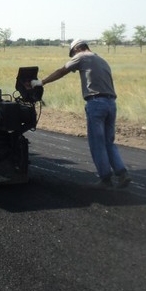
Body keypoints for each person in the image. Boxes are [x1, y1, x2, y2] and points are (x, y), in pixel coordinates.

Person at [31, 39, 132, 189]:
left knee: (97, 142)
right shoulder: (101, 59)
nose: (73, 57)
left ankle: (105, 179)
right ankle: (122, 173)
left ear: (77, 49)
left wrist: (42, 82)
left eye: (72, 54)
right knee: (108, 142)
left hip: (96, 103)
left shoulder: (82, 56)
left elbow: (62, 71)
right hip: (111, 103)